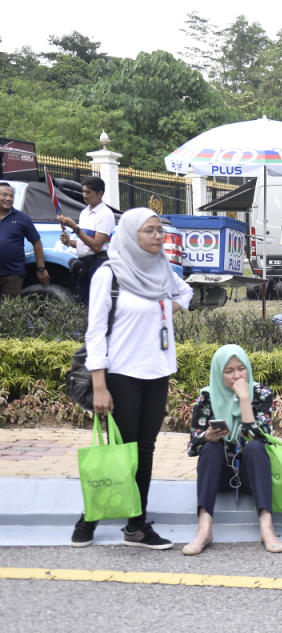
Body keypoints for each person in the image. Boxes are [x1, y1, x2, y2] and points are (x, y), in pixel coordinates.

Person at [71, 208, 193, 549]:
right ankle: (91, 516)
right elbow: (95, 333)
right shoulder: (109, 274)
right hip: (122, 374)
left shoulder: (162, 268)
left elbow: (185, 294)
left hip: (157, 372)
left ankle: (136, 527)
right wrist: (99, 385)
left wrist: (168, 307)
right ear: (129, 234)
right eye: (149, 231)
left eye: (159, 230)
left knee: (145, 449)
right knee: (120, 452)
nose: (158, 236)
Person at [184, 345, 282, 555]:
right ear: (219, 374)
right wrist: (206, 437)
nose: (237, 376)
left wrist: (245, 399)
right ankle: (204, 528)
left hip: (252, 476)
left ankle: (267, 526)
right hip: (220, 475)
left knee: (256, 447)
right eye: (229, 371)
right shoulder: (207, 397)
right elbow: (192, 447)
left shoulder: (261, 393)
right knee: (210, 449)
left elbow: (263, 437)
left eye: (241, 368)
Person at [58, 176, 114, 304]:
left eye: (88, 192)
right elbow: (85, 243)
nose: (84, 195)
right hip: (83, 264)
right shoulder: (84, 212)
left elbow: (96, 246)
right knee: (82, 302)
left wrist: (75, 227)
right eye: (83, 191)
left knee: (95, 303)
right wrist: (69, 242)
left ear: (100, 194)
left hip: (98, 263)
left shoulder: (105, 214)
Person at [0, 181, 49, 297]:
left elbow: (37, 242)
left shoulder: (22, 218)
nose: (9, 198)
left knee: (10, 312)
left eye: (11, 196)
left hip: (12, 276)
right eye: (4, 195)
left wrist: (41, 269)